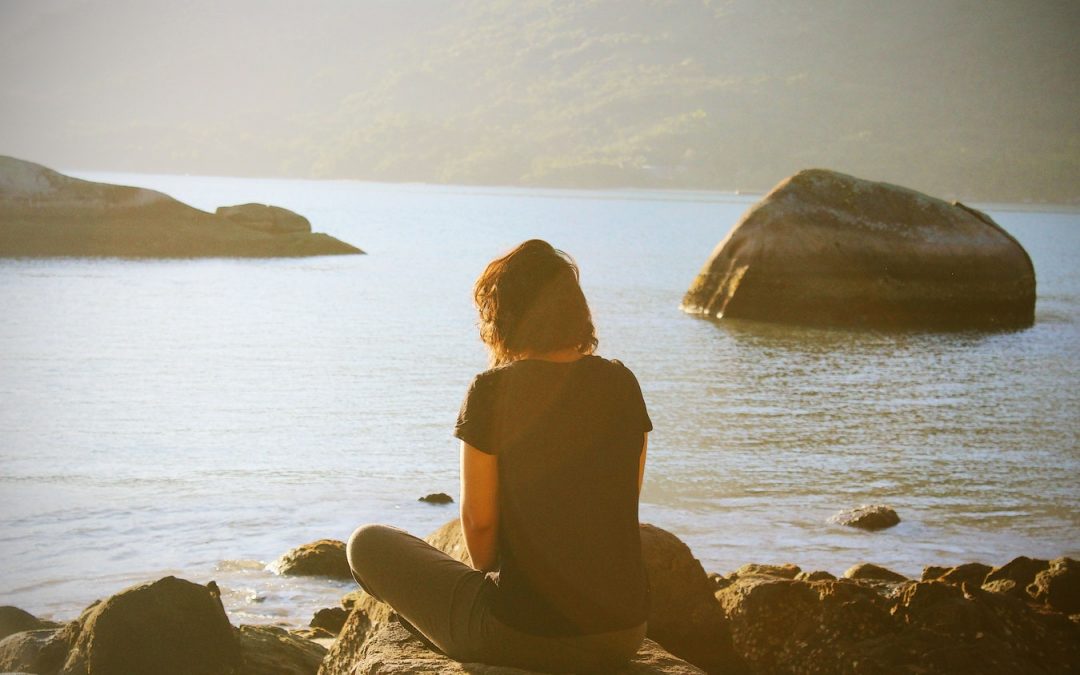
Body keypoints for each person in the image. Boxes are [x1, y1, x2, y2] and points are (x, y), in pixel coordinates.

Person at [346, 239, 652, 671]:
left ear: (503, 316)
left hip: (526, 633)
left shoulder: (490, 391)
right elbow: (624, 498)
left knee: (366, 544)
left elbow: (483, 541)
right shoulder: (623, 383)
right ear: (576, 309)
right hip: (624, 633)